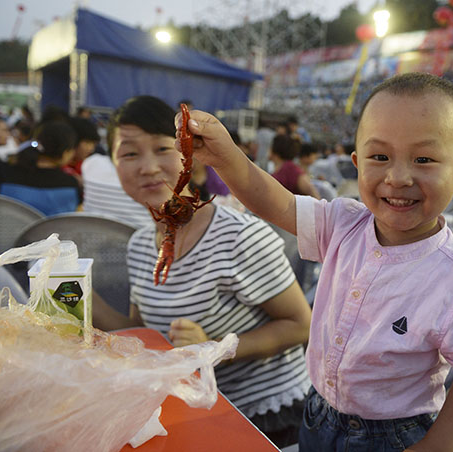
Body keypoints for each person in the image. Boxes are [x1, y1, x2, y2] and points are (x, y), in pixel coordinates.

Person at [182, 72, 453, 451]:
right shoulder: (342, 224)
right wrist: (225, 155)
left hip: (392, 435)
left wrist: (439, 445)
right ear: (357, 163)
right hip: (318, 413)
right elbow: (277, 202)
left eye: (424, 159)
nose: (398, 176)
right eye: (379, 157)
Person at [92, 95, 312, 448]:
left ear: (188, 156)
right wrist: (77, 294)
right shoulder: (137, 246)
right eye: (129, 154)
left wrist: (213, 349)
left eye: (162, 148)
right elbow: (149, 336)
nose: (147, 167)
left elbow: (302, 324)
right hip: (189, 410)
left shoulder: (240, 235)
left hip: (266, 417)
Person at [0, 121, 82, 216]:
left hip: (4, 231)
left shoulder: (2, 172)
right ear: (65, 152)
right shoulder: (71, 185)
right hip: (50, 233)